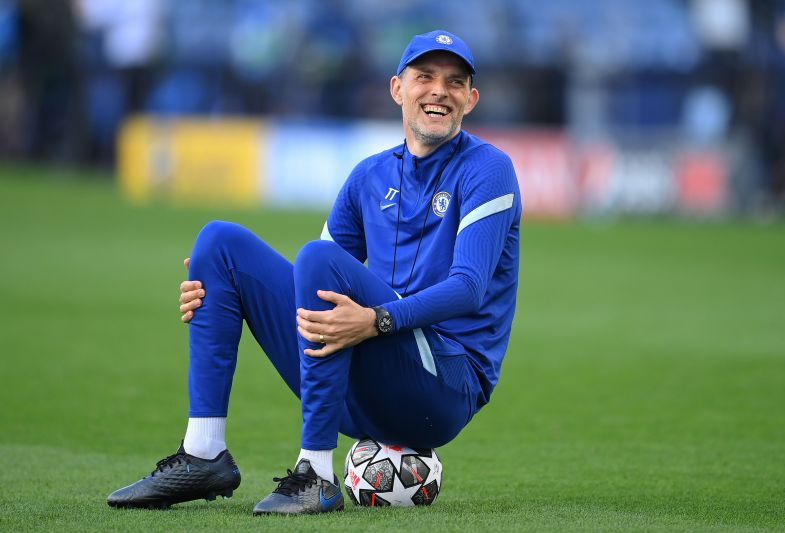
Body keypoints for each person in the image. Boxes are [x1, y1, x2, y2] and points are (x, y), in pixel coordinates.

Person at [107, 29, 521, 516]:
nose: (439, 91)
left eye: (454, 83)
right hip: (367, 382)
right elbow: (312, 287)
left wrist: (376, 320)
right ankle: (203, 454)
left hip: (446, 385)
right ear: (397, 89)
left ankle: (316, 476)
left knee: (317, 259)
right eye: (424, 77)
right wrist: (220, 288)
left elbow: (469, 287)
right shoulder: (369, 175)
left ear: (470, 99)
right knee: (219, 245)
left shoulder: (489, 168)